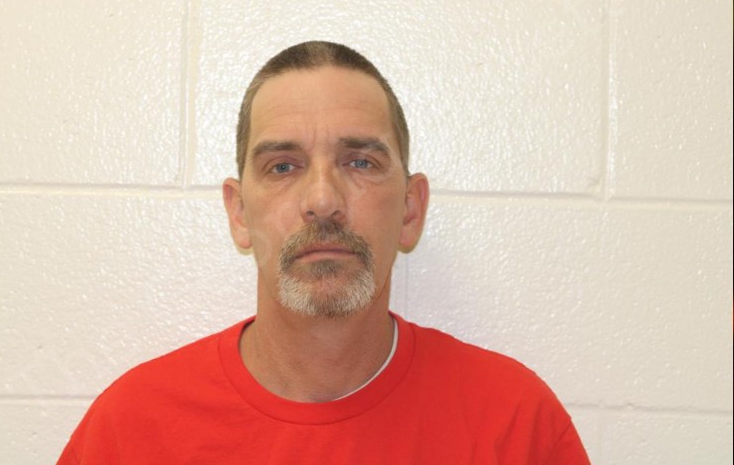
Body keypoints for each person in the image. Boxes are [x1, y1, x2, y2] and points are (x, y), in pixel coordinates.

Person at [58, 41, 590, 464]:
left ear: (410, 209)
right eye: (282, 167)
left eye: (359, 162)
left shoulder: (514, 425)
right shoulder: (132, 430)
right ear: (239, 213)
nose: (322, 200)